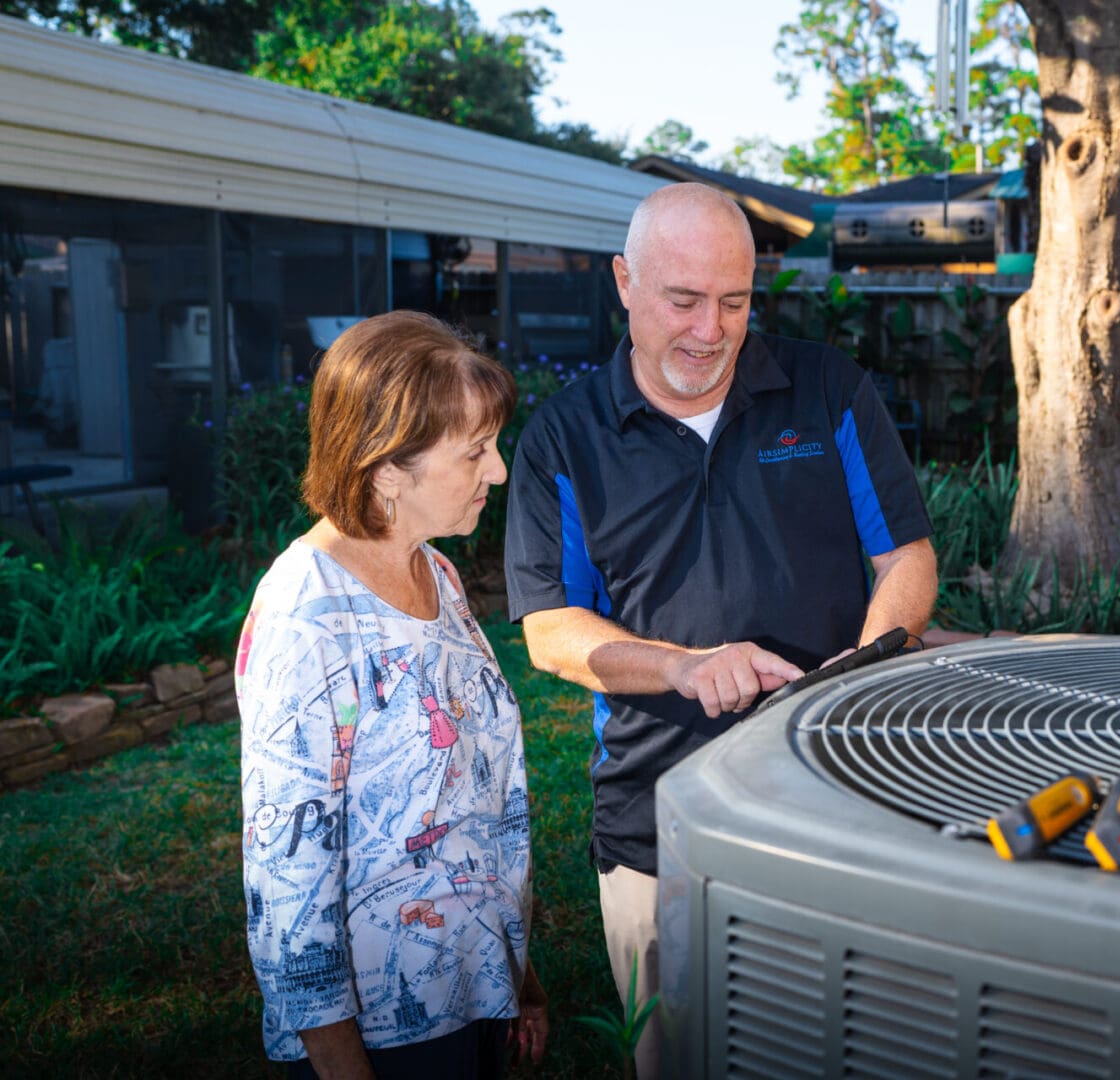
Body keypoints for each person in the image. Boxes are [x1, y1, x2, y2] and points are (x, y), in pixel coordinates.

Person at [504, 183, 937, 1077]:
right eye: (683, 300)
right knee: (678, 1055)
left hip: (835, 791)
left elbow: (906, 558)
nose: (711, 329)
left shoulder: (826, 389)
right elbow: (549, 629)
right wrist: (682, 666)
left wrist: (872, 655)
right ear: (624, 283)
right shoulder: (564, 437)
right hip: (655, 816)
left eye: (735, 302)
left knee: (842, 1046)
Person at [238, 311, 548, 1078]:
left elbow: (476, 797)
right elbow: (288, 882)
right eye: (475, 452)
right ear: (385, 469)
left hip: (471, 989)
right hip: (385, 1037)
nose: (499, 471)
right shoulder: (306, 615)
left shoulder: (435, 574)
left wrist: (520, 976)